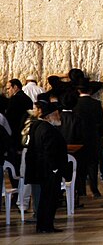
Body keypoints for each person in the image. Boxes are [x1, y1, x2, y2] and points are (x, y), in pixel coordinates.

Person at [26, 100, 70, 233]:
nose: (58, 117)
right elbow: (49, 151)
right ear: (49, 116)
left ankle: (43, 225)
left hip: (42, 170)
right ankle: (46, 226)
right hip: (49, 171)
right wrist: (55, 168)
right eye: (56, 114)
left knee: (45, 199)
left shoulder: (38, 126)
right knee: (49, 199)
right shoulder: (49, 130)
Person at [74, 80, 103, 197]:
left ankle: (81, 190)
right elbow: (101, 122)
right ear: (90, 91)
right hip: (93, 138)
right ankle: (95, 190)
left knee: (80, 165)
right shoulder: (96, 104)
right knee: (93, 164)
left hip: (79, 139)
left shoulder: (75, 104)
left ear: (79, 90)